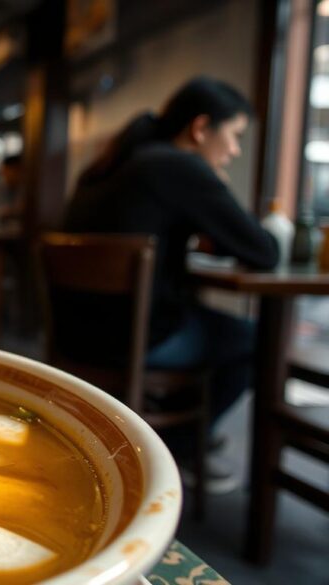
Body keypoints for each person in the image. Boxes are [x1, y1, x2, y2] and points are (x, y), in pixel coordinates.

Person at [63, 77, 279, 491]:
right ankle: (178, 450)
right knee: (254, 338)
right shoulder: (178, 164)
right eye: (233, 136)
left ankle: (187, 434)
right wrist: (217, 182)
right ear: (200, 129)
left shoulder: (110, 164)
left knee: (207, 325)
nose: (234, 150)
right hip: (135, 341)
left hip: (76, 336)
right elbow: (263, 251)